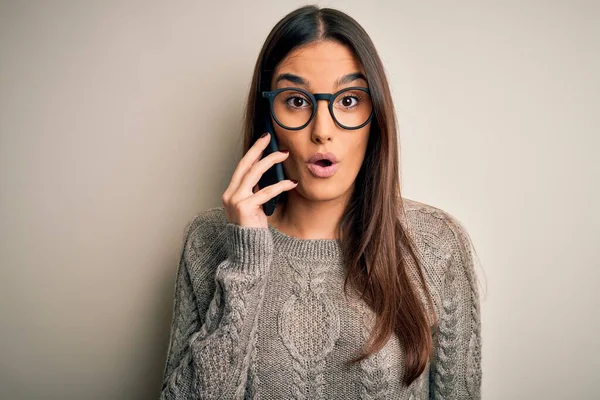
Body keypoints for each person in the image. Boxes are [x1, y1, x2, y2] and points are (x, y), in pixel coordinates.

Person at [159, 5, 482, 399]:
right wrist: (246, 263)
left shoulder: (437, 243)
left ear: (376, 115)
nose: (322, 131)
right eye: (296, 101)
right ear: (268, 118)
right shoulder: (208, 240)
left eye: (348, 100)